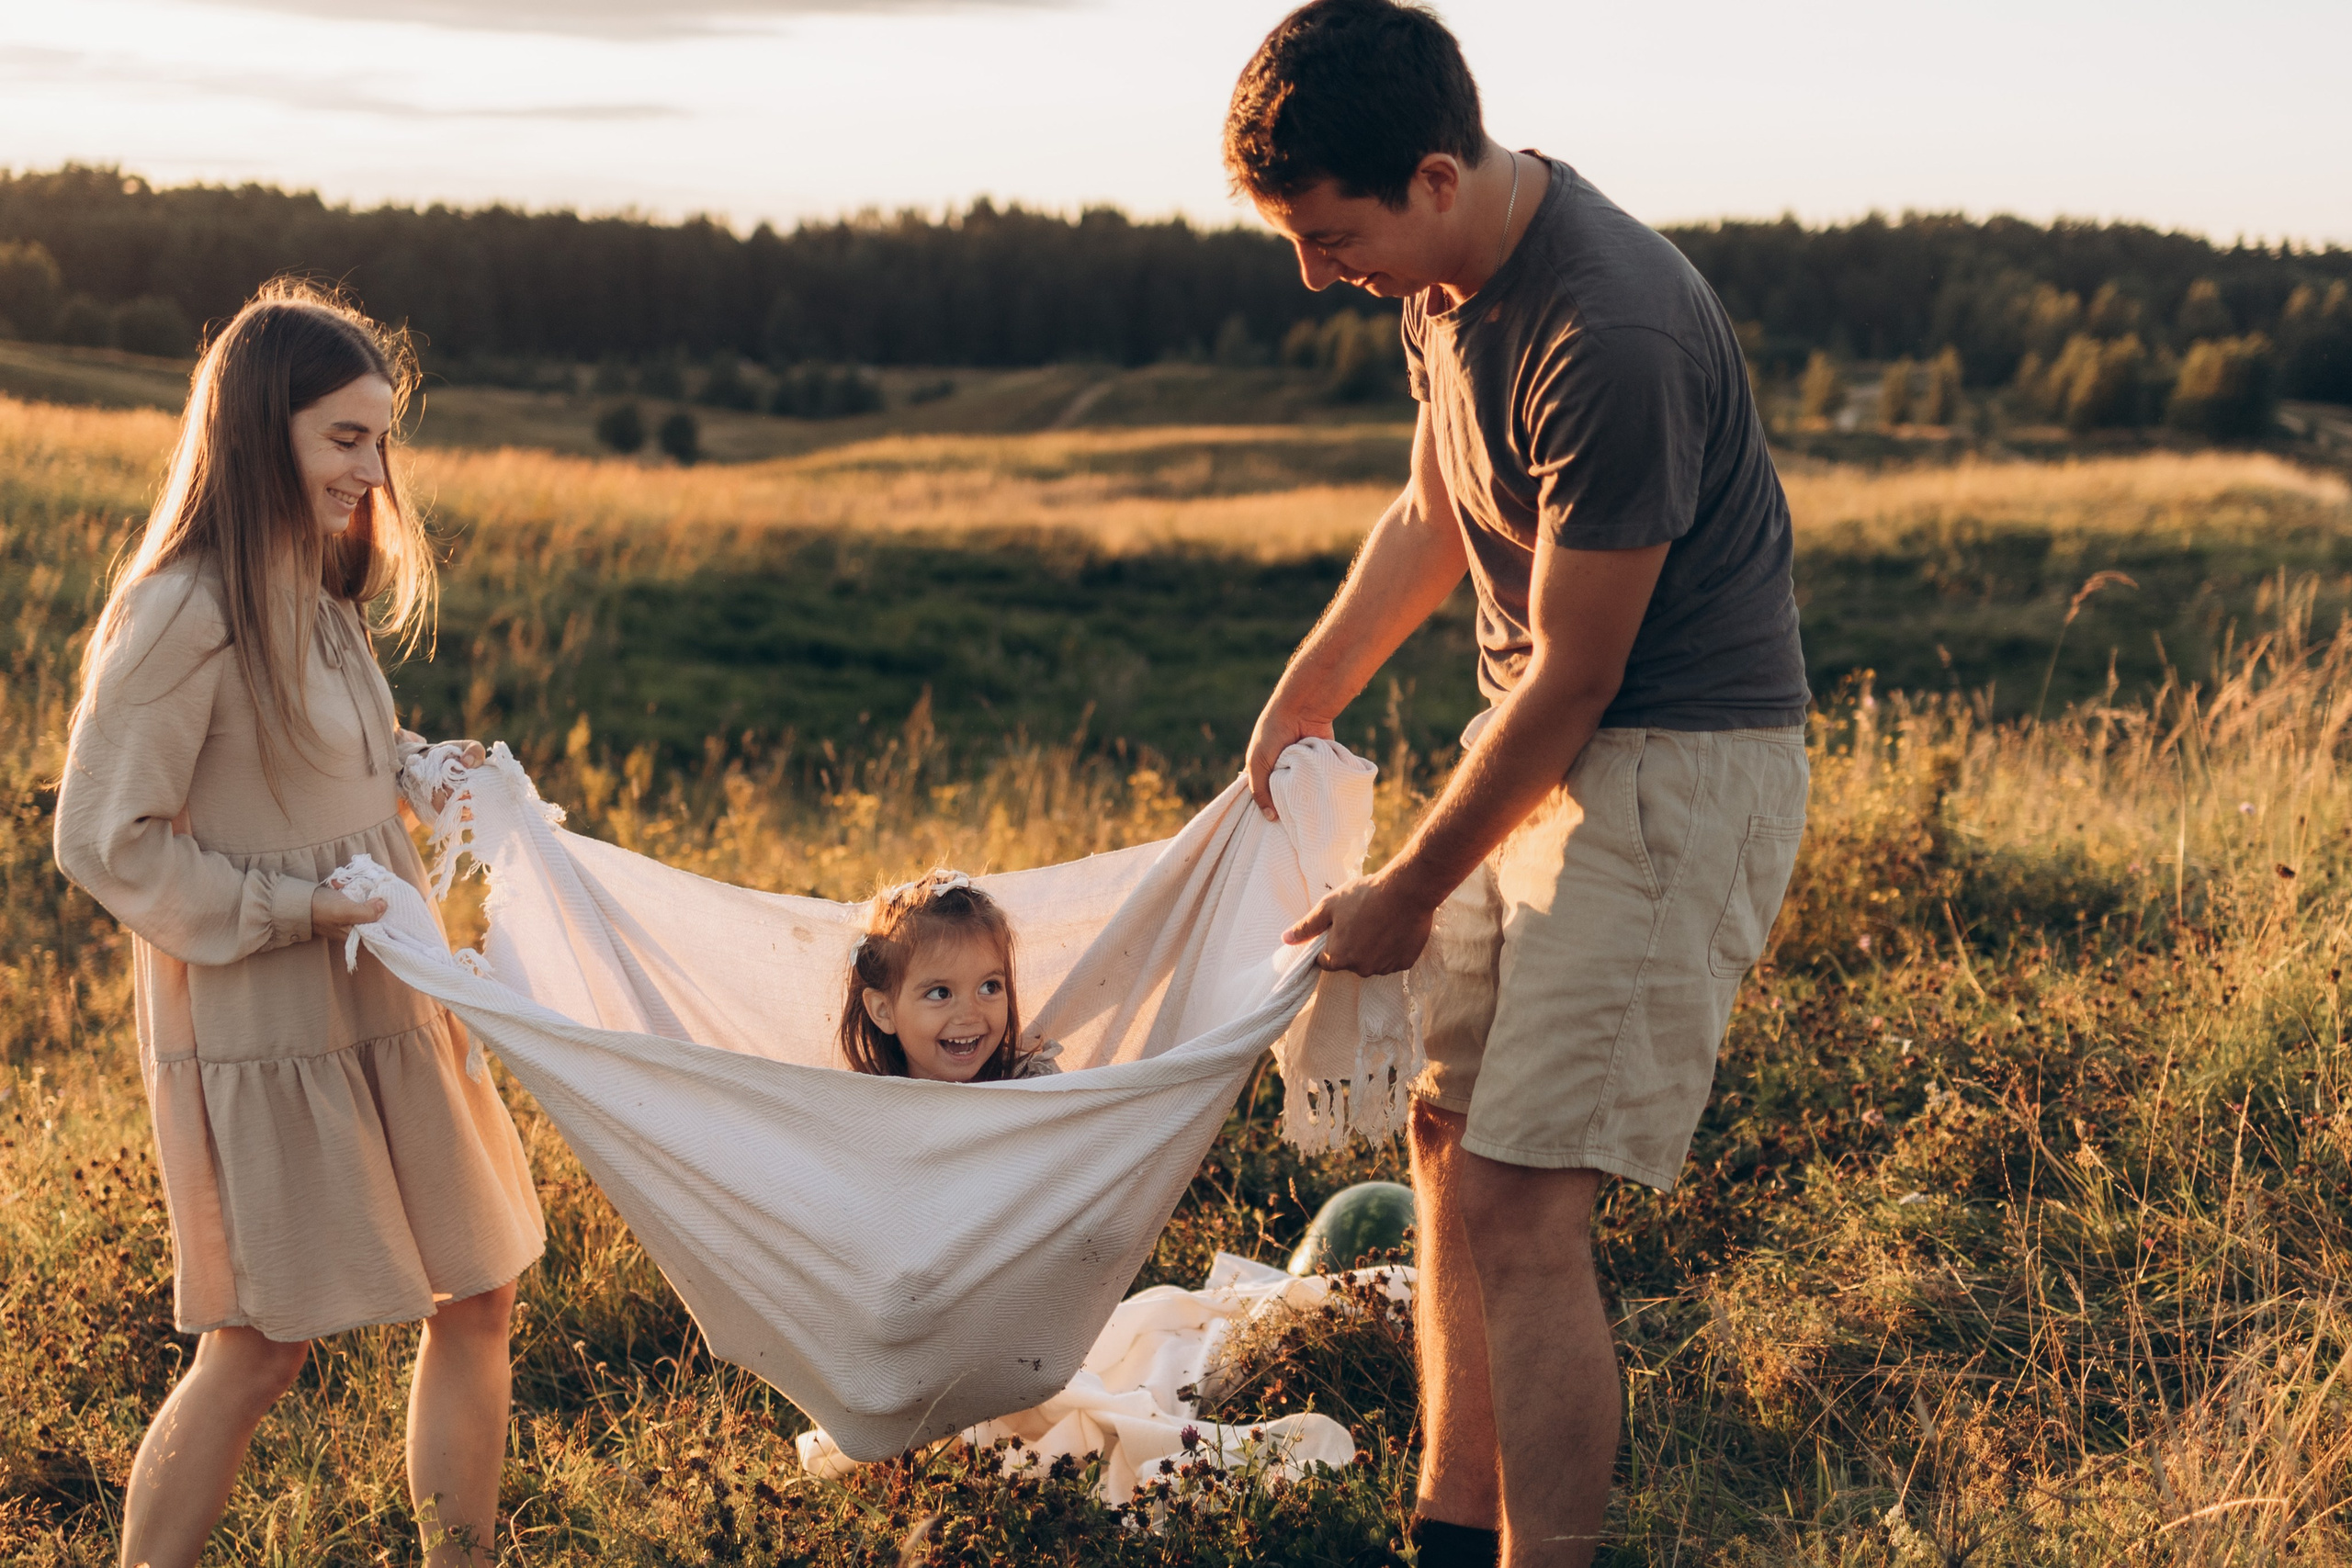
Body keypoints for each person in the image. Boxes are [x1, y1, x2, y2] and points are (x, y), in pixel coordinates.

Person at [1223, 5, 1812, 1565]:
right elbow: (1433, 507)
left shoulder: (1604, 329)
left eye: (1329, 235)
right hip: (1539, 759)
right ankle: (1447, 1520)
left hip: (1670, 776)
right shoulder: (1440, 281)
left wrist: (1408, 888)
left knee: (1526, 1198)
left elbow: (1578, 675)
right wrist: (1307, 690)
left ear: (1431, 176)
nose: (1311, 271)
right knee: (1445, 1140)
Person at [53, 280, 546, 1568]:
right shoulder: (180, 610)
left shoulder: (317, 591)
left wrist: (420, 765)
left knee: (480, 1286)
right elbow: (107, 837)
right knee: (261, 1342)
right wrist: (291, 905)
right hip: (268, 1002)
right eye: (346, 438)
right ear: (262, 428)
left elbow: (322, 764)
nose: (376, 470)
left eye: (384, 438)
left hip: (386, 977)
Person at [838, 870, 1061, 1081]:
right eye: (940, 993)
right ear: (883, 1010)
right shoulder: (862, 1104)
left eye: (989, 987)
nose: (970, 1015)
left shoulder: (1035, 1087)